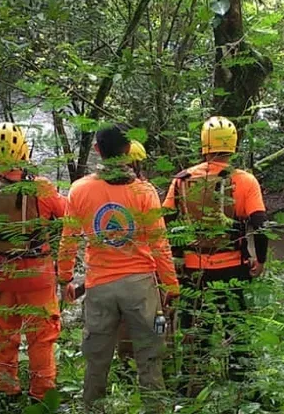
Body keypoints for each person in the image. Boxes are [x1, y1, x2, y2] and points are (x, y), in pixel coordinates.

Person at [59, 125, 179, 411]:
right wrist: (171, 285)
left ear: (97, 150)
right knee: (150, 357)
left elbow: (69, 239)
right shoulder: (144, 191)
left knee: (96, 361)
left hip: (99, 286)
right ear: (128, 150)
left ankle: (93, 408)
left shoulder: (80, 190)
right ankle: (155, 408)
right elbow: (159, 244)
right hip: (141, 287)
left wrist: (64, 278)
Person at [162, 116, 269, 389]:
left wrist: (172, 265)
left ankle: (190, 388)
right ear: (233, 145)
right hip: (232, 269)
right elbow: (260, 224)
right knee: (236, 331)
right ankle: (242, 387)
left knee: (195, 333)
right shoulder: (244, 180)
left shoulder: (182, 180)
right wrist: (261, 260)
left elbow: (166, 223)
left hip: (192, 271)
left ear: (204, 144)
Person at [0, 122, 67, 403]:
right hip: (37, 274)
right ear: (23, 150)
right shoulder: (40, 187)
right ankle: (41, 395)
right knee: (41, 337)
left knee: (2, 336)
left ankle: (7, 392)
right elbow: (67, 215)